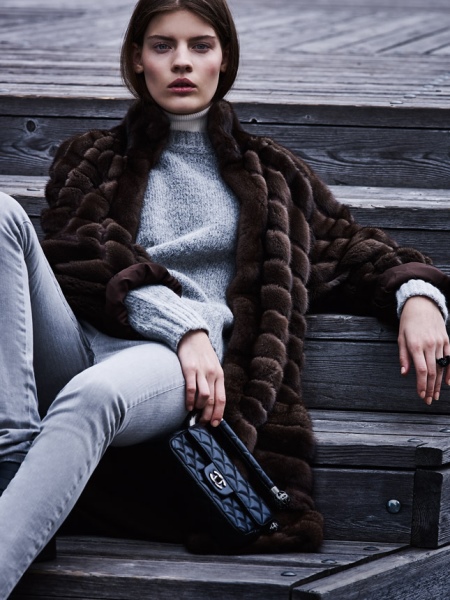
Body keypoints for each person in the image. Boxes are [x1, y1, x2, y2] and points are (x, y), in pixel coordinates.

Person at [1, 0, 450, 595]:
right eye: (162, 46)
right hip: (80, 340)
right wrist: (180, 323)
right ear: (137, 60)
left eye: (200, 46)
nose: (181, 62)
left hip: (167, 370)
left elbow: (354, 248)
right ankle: (14, 454)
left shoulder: (273, 176)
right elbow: (76, 251)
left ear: (224, 58)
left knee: (95, 394)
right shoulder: (94, 156)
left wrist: (417, 295)